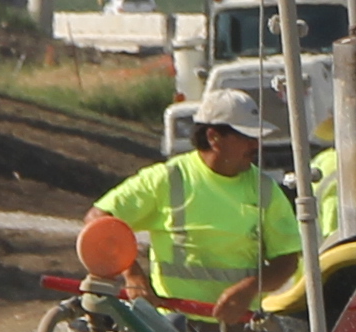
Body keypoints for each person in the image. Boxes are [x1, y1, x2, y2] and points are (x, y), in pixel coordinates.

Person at [82, 81, 307, 319]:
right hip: (174, 328)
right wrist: (132, 273)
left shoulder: (264, 189)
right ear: (213, 137)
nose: (255, 145)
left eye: (256, 137)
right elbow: (98, 220)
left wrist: (251, 287)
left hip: (238, 328)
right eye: (247, 137)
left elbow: (287, 259)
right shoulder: (168, 179)